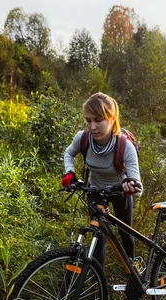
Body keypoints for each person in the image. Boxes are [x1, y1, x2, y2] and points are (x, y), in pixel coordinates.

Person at [61, 92, 142, 272]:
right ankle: (100, 281)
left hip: (120, 192)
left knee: (126, 233)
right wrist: (69, 172)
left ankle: (132, 272)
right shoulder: (82, 138)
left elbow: (138, 187)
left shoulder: (124, 146)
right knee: (99, 235)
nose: (92, 126)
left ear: (112, 119)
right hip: (95, 190)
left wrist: (131, 187)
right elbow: (68, 153)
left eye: (98, 120)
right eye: (88, 120)